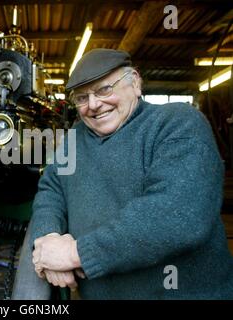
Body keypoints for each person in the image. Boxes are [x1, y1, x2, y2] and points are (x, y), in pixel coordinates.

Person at [30, 48, 233, 299]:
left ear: (135, 83)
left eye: (105, 89)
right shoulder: (74, 139)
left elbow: (175, 213)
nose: (93, 105)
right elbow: (51, 191)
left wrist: (74, 254)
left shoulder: (178, 123)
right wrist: (49, 240)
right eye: (82, 97)